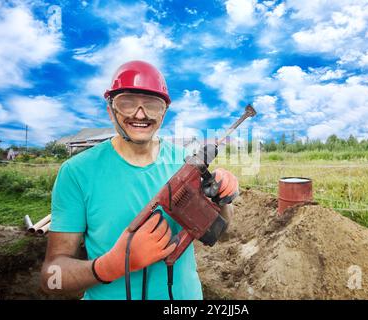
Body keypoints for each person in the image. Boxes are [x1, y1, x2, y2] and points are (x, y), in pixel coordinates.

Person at [40, 60, 239, 300]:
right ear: (110, 109)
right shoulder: (77, 172)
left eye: (152, 105)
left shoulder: (186, 163)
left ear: (164, 113)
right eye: (127, 103)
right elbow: (51, 279)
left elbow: (224, 235)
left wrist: (222, 199)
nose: (140, 114)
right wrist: (112, 264)